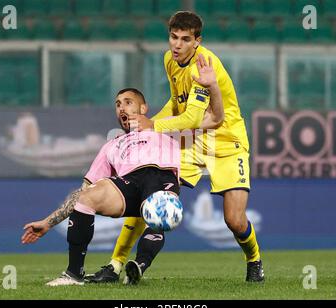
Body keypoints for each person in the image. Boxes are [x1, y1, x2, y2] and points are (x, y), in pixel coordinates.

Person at [85, 11, 264, 285]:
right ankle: (115, 265)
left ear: (197, 41)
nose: (177, 45)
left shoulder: (203, 66)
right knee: (148, 188)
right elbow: (177, 102)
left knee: (235, 220)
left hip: (227, 141)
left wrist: (152, 126)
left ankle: (254, 260)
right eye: (173, 37)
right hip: (193, 140)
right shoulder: (170, 59)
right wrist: (152, 123)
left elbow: (192, 117)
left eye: (185, 39)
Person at [21, 78, 224, 286]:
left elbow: (216, 118)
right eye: (118, 104)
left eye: (128, 102)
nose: (121, 108)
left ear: (143, 107)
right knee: (85, 197)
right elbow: (81, 191)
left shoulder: (165, 127)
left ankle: (138, 266)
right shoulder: (112, 145)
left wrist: (213, 87)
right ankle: (74, 274)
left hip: (161, 178)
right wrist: (47, 222)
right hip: (128, 183)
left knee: (160, 211)